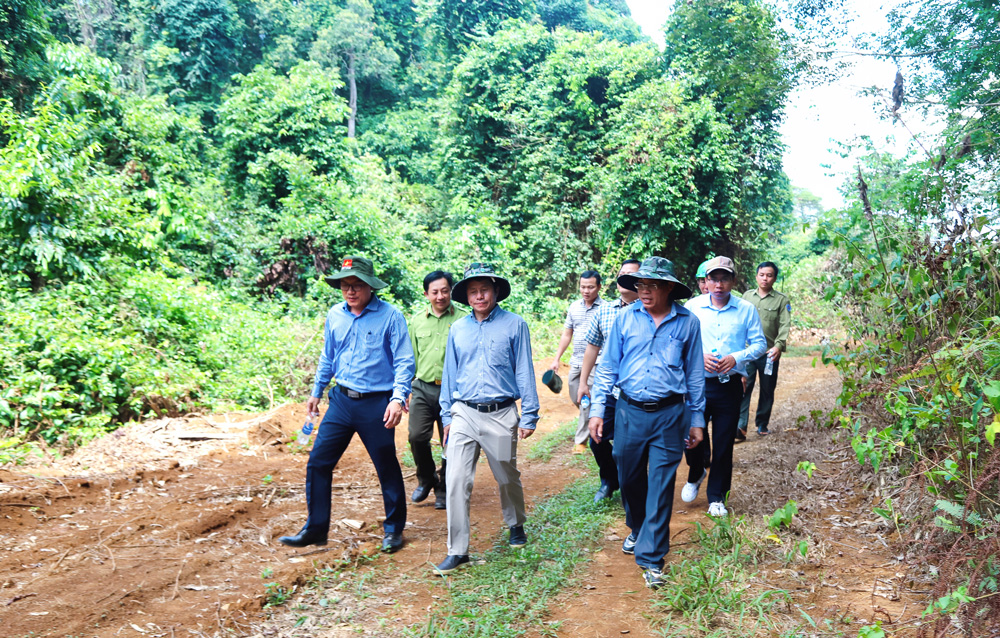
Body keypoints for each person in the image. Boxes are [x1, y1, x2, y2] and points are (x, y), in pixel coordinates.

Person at [280, 256, 415, 553]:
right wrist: (316, 391)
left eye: (356, 285)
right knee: (318, 462)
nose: (350, 291)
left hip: (377, 404)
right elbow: (328, 356)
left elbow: (405, 362)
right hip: (341, 402)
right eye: (345, 285)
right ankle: (316, 529)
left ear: (369, 287)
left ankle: (393, 530)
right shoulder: (335, 315)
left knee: (386, 467)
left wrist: (396, 398)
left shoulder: (390, 316)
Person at [588, 256, 706, 590]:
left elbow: (695, 375)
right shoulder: (626, 319)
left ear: (669, 288)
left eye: (652, 285)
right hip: (629, 410)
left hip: (670, 414)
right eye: (640, 285)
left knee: (662, 483)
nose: (644, 291)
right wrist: (598, 409)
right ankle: (638, 526)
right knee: (629, 473)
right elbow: (608, 366)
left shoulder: (688, 323)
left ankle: (652, 556)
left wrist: (696, 420)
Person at [434, 263, 540, 575]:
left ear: (495, 292)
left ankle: (515, 523)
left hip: (501, 412)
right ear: (466, 296)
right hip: (463, 412)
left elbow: (524, 369)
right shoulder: (458, 329)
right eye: (473, 291)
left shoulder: (514, 325)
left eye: (485, 290)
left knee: (506, 476)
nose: (479, 296)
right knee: (454, 479)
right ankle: (458, 550)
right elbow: (449, 374)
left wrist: (529, 415)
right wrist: (446, 416)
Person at [680, 257, 766, 518]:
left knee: (724, 443)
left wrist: (736, 357)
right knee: (691, 439)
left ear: (733, 281)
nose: (718, 284)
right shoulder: (692, 307)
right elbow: (679, 342)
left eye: (724, 278)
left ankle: (717, 497)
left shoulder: (746, 309)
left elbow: (759, 344)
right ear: (705, 282)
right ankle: (696, 471)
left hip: (729, 387)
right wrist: (698, 356)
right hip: (696, 385)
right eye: (713, 279)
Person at [577, 259, 641, 503]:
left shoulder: (648, 311)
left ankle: (631, 485)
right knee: (597, 436)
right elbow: (592, 347)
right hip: (607, 388)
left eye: (631, 274)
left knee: (632, 444)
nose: (624, 277)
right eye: (621, 273)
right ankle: (608, 480)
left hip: (635, 389)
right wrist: (584, 382)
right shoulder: (604, 310)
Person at [408, 271, 466, 510]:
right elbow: (410, 357)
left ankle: (443, 487)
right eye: (435, 292)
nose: (440, 296)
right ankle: (426, 478)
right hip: (422, 388)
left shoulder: (464, 319)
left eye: (445, 290)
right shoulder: (416, 321)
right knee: (416, 436)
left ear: (451, 290)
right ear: (426, 294)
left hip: (453, 393)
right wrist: (405, 388)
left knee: (450, 442)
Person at [550, 270, 604, 454]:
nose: (586, 291)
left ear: (599, 287)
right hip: (576, 362)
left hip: (597, 362)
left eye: (590, 287)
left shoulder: (605, 309)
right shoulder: (574, 307)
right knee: (576, 397)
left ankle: (581, 441)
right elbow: (567, 334)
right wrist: (557, 358)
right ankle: (592, 420)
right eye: (583, 287)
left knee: (586, 400)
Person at [738, 261, 791, 438]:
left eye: (769, 275)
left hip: (769, 353)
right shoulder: (746, 297)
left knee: (767, 389)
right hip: (748, 352)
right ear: (756, 276)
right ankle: (740, 426)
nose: (765, 278)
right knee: (744, 387)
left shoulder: (781, 300)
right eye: (762, 275)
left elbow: (784, 324)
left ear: (774, 278)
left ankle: (762, 424)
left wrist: (778, 346)